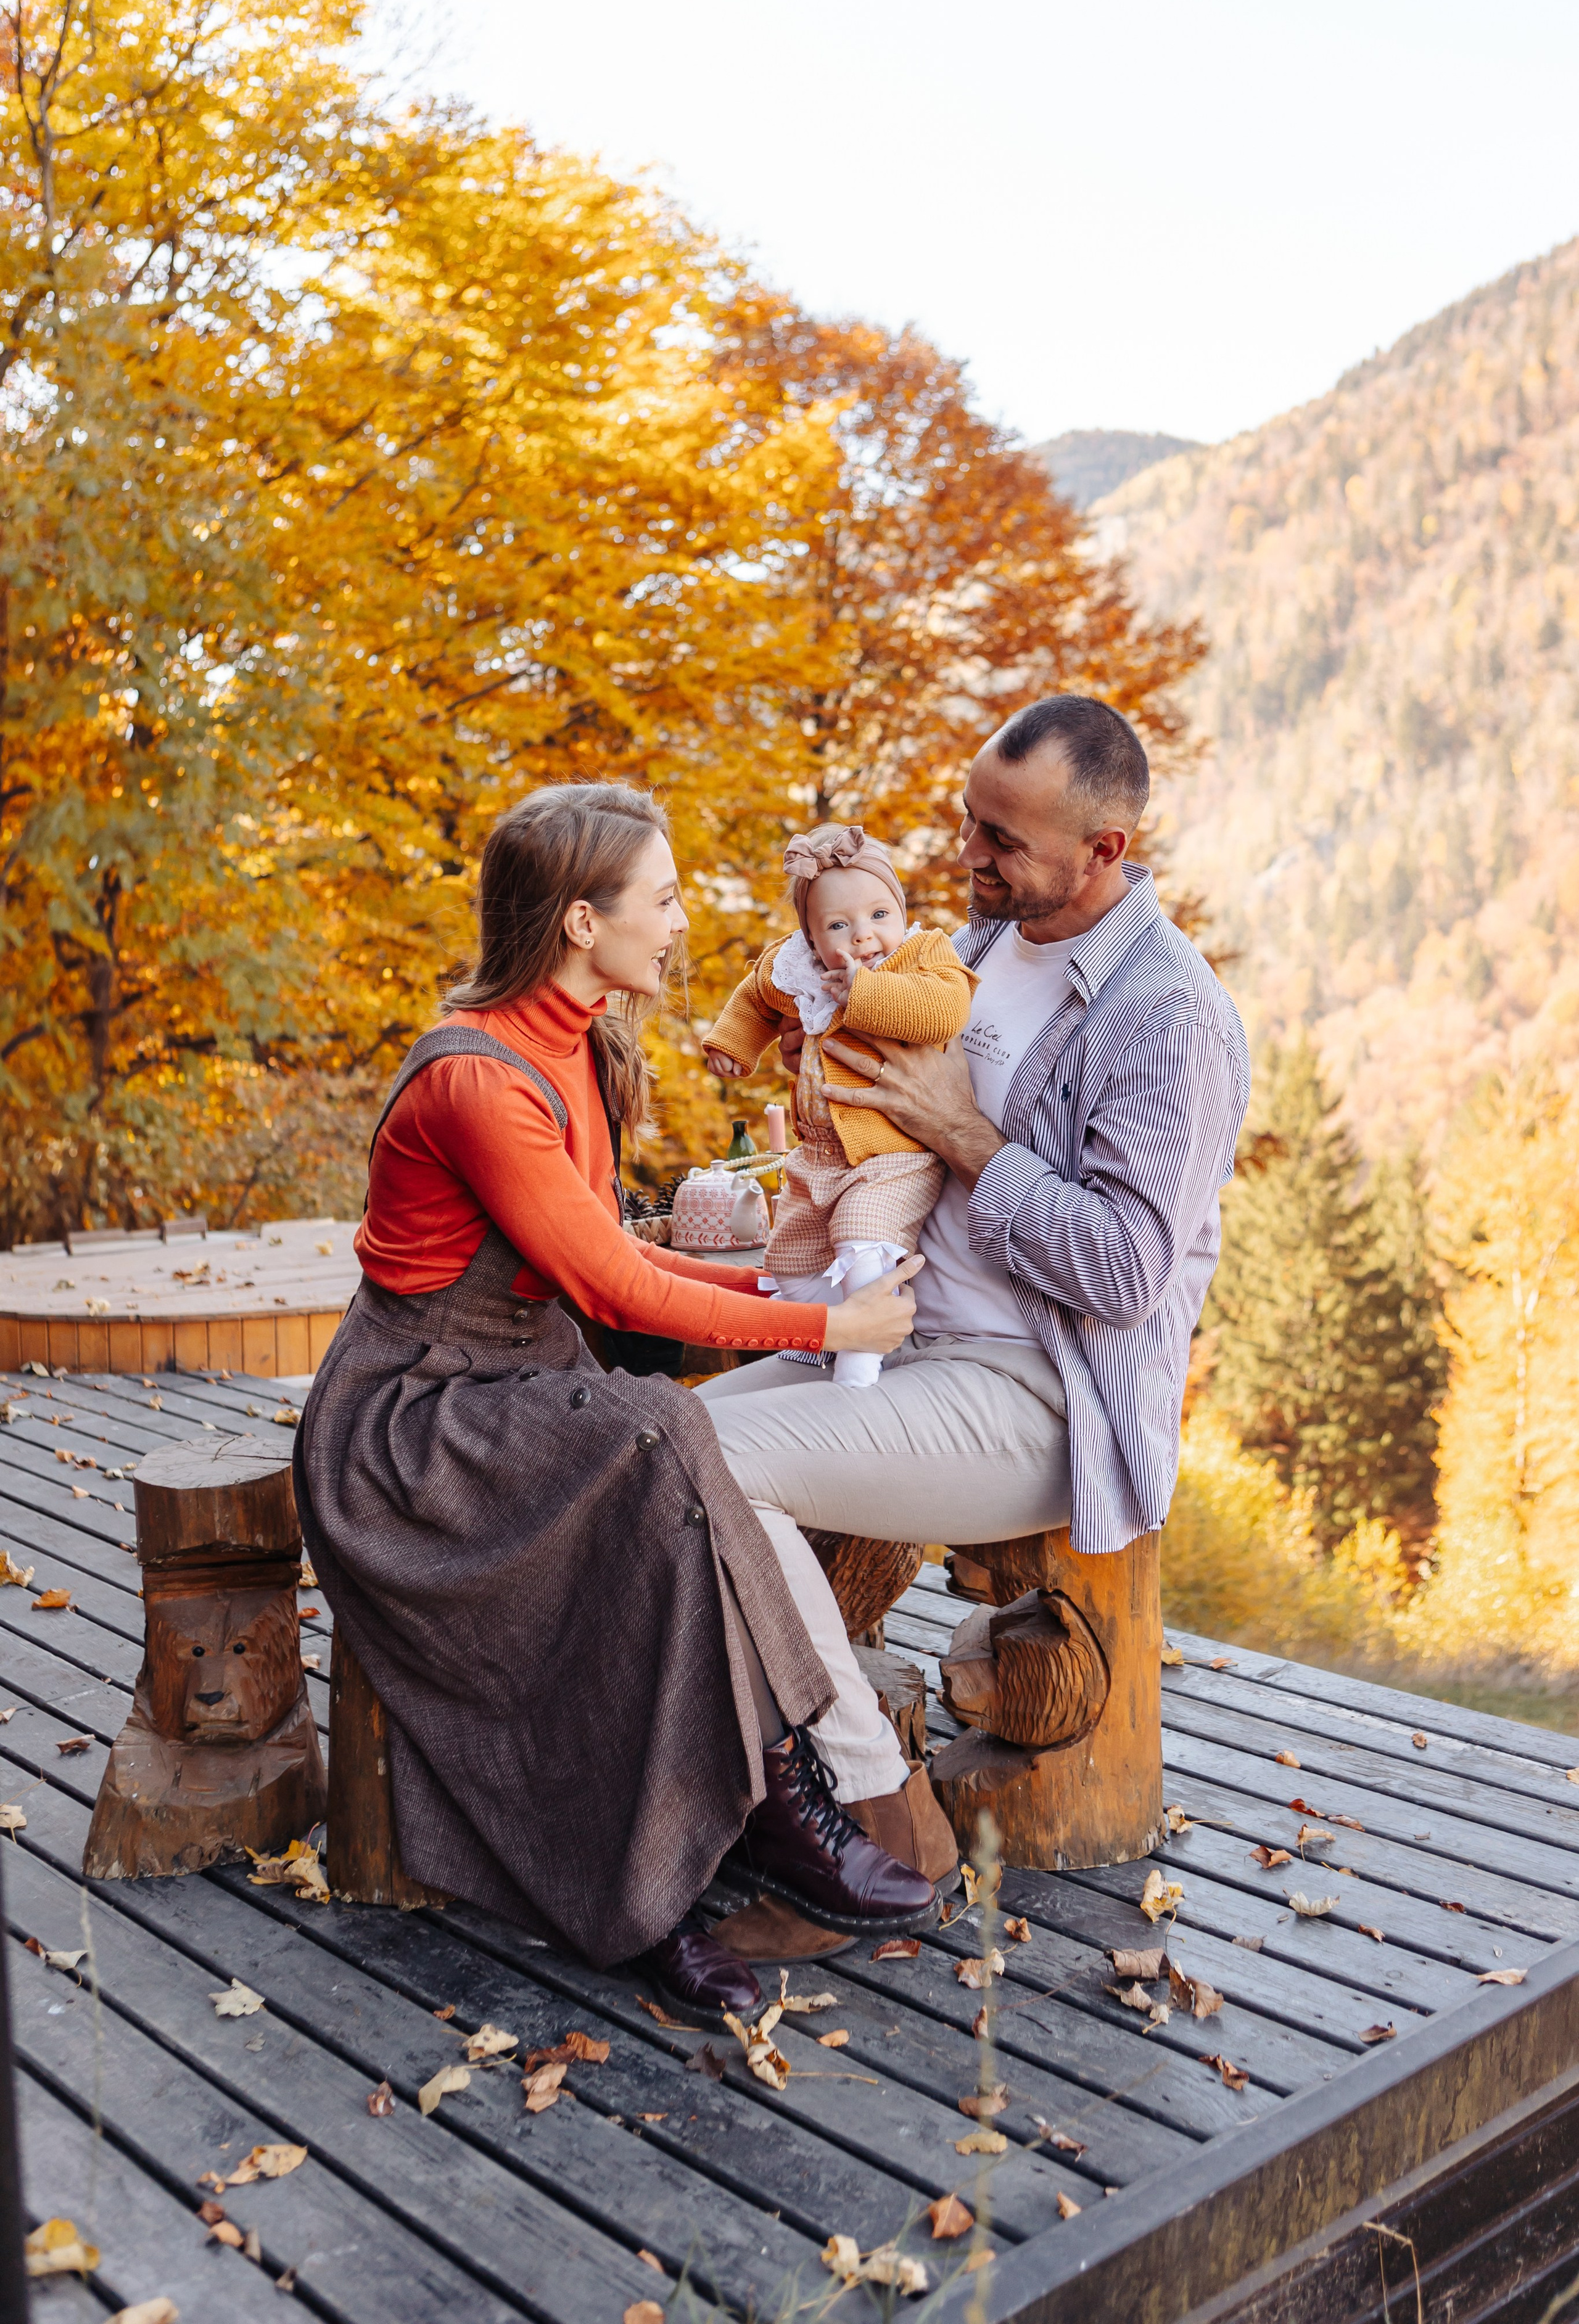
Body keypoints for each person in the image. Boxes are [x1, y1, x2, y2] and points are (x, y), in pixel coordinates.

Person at [292, 782, 940, 2030]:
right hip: (412, 1428)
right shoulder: (477, 1082)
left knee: (661, 1458)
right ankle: (727, 1846)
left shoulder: (582, 1045)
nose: (683, 921)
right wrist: (823, 1326)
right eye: (664, 897)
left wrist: (773, 1278)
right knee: (662, 1439)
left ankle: (747, 1819)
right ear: (582, 923)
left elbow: (611, 1256)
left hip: (523, 1378)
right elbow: (613, 1285)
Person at [699, 694, 1251, 1840]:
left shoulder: (1168, 1019)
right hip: (892, 1338)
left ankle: (877, 1814)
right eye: (970, 822)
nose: (969, 857)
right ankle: (721, 1795)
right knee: (651, 1436)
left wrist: (967, 1136)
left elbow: (1125, 1272)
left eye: (1004, 841)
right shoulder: (972, 948)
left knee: (708, 1466)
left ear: (1105, 852)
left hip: (1038, 1397)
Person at [701, 824, 976, 1386]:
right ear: (809, 933)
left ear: (900, 908)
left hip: (891, 1154)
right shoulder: (798, 967)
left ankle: (861, 1365)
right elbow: (756, 994)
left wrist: (865, 994)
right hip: (819, 1155)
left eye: (879, 915)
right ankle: (824, 1340)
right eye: (838, 925)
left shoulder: (922, 955)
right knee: (791, 1263)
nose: (863, 937)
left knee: (860, 1234)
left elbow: (946, 1011)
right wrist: (734, 1043)